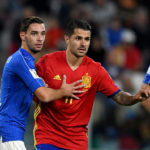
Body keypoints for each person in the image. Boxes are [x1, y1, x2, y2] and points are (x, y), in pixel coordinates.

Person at [34, 19, 150, 150]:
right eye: (78, 38)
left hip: (77, 142)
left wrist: (134, 98)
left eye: (87, 39)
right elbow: (31, 89)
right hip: (49, 137)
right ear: (67, 39)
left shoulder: (96, 70)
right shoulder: (47, 62)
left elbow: (119, 96)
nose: (83, 43)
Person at [0, 16, 85, 150]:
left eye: (42, 34)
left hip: (10, 132)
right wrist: (63, 91)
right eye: (34, 33)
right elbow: (44, 96)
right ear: (23, 35)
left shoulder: (24, 61)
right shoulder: (20, 61)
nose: (40, 38)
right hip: (9, 132)